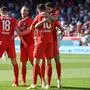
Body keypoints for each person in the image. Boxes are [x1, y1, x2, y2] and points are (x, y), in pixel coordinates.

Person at [26, 4, 54, 89]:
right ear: (45, 9)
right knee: (49, 62)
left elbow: (33, 27)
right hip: (50, 40)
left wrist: (41, 22)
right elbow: (53, 22)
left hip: (41, 41)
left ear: (38, 10)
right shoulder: (50, 16)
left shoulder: (38, 16)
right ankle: (48, 84)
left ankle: (34, 84)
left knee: (36, 62)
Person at [45, 2, 63, 88]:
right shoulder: (42, 17)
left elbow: (60, 27)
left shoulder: (53, 17)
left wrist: (60, 32)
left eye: (49, 9)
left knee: (57, 60)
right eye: (46, 8)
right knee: (45, 62)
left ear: (52, 9)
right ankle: (45, 82)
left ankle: (59, 80)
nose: (47, 10)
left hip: (54, 42)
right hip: (45, 42)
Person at [0, 6, 19, 86]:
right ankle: (16, 82)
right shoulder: (13, 19)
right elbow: (18, 31)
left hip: (1, 42)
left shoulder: (0, 19)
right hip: (10, 42)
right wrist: (13, 36)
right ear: (7, 12)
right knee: (14, 62)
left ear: (1, 12)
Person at [17, 6, 35, 86]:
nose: (25, 12)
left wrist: (18, 34)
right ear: (21, 11)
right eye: (24, 10)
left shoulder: (30, 20)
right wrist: (23, 41)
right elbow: (19, 34)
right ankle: (23, 81)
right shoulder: (19, 22)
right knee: (23, 63)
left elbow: (28, 31)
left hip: (30, 44)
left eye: (27, 11)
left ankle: (42, 79)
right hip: (23, 45)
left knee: (33, 63)